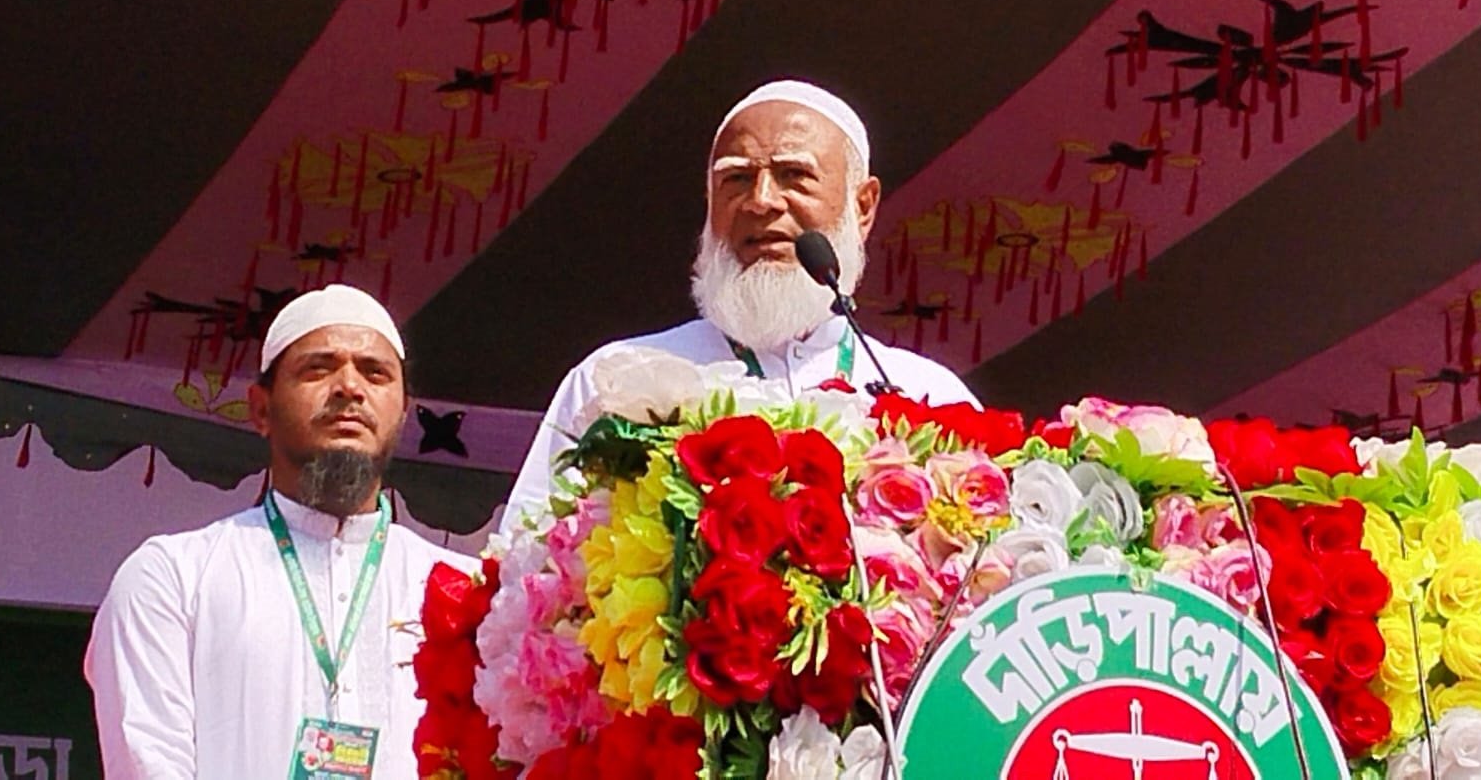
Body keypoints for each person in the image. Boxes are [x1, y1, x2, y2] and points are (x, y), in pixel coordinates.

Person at [502, 79, 980, 529]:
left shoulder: (927, 396)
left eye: (794, 175)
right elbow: (527, 564)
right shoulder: (621, 378)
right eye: (737, 179)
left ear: (863, 206)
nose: (761, 201)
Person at [85, 284, 475, 779]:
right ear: (260, 410)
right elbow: (148, 764)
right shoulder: (174, 578)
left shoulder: (468, 592)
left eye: (374, 372)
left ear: (402, 412)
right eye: (318, 369)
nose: (350, 387)